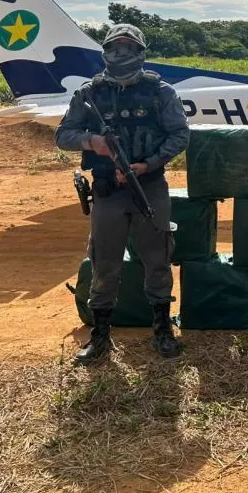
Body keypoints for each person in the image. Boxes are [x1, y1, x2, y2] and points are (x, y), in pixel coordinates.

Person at [56, 24, 190, 366]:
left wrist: (148, 164)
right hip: (108, 192)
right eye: (115, 48)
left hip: (149, 187)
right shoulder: (89, 94)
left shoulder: (160, 92)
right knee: (104, 263)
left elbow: (180, 135)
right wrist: (93, 143)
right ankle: (100, 336)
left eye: (129, 48)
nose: (122, 54)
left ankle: (162, 329)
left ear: (141, 53)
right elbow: (63, 134)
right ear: (105, 53)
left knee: (157, 258)